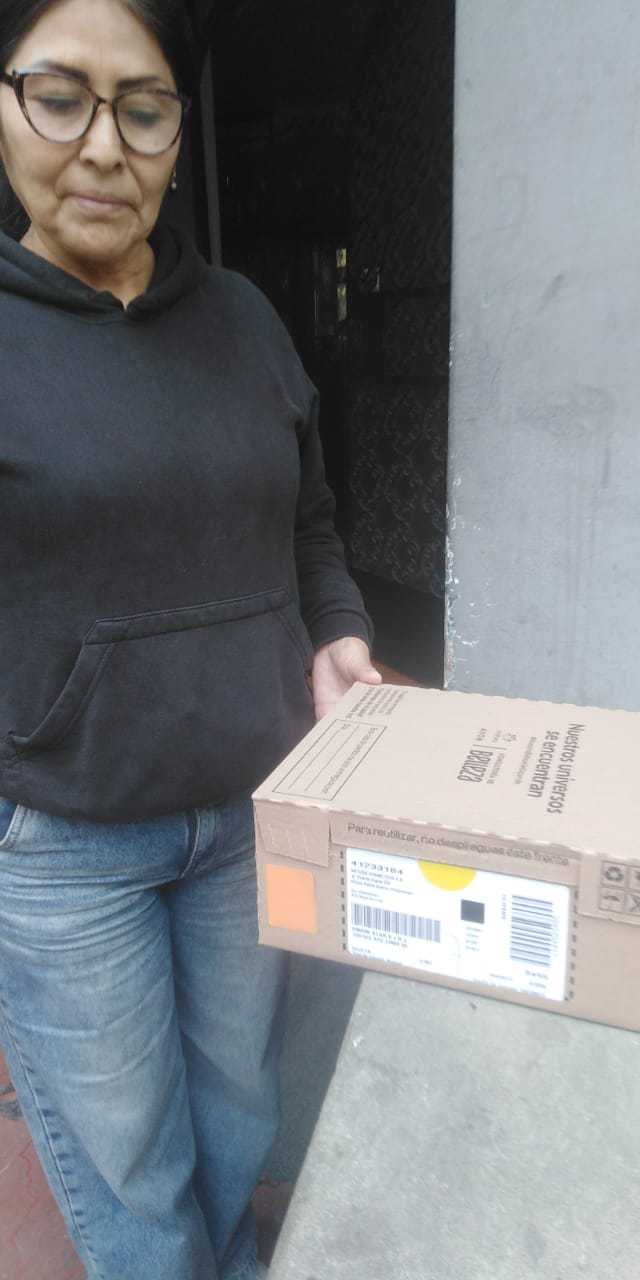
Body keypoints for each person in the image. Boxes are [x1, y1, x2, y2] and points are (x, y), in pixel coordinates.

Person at [0, 2, 381, 1277]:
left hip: (246, 813)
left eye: (144, 107)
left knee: (236, 1114)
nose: (104, 146)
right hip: (63, 840)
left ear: (175, 129)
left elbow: (308, 519)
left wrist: (336, 629)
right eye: (61, 96)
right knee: (131, 1162)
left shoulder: (247, 319)